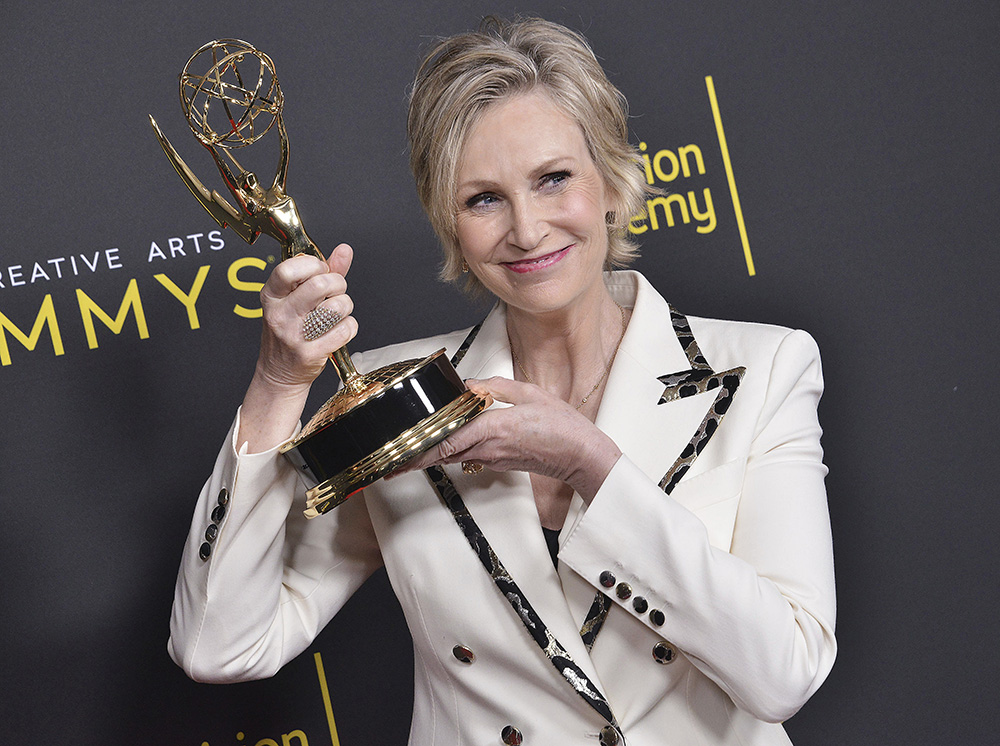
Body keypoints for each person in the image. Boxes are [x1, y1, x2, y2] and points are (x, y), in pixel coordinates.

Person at [168, 17, 836, 746]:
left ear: (611, 181)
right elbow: (217, 646)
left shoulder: (762, 369)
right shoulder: (407, 402)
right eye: (483, 198)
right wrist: (278, 380)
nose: (525, 229)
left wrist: (590, 463)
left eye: (554, 180)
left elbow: (785, 673)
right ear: (448, 223)